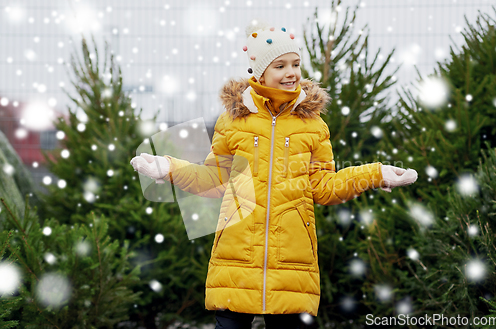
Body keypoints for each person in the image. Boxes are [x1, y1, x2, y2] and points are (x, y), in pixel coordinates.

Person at [130, 20, 418, 329]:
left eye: (295, 63)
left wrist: (376, 174)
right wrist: (169, 168)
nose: (292, 72)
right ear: (259, 71)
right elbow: (215, 180)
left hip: (292, 262)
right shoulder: (234, 121)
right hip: (236, 260)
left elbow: (323, 187)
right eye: (280, 65)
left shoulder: (313, 125)